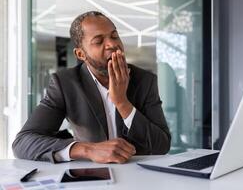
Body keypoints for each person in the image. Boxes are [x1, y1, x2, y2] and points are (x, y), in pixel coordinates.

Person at [12, 11, 171, 164]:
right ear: (81, 54)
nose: (112, 44)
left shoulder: (145, 80)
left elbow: (161, 146)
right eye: (99, 41)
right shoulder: (65, 83)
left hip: (138, 176)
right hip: (91, 176)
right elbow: (23, 142)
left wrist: (122, 102)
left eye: (114, 36)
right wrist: (88, 150)